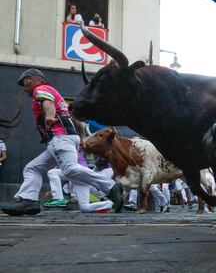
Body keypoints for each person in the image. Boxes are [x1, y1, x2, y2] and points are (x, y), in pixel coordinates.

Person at [0, 68, 123, 216]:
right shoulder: (52, 92)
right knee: (32, 168)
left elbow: (48, 104)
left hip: (60, 137)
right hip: (63, 139)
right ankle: (28, 200)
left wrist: (49, 116)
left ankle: (110, 186)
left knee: (70, 169)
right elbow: (72, 117)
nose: (23, 86)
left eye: (24, 81)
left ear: (32, 78)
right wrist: (82, 136)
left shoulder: (41, 89)